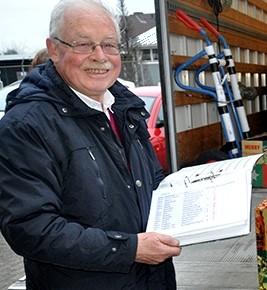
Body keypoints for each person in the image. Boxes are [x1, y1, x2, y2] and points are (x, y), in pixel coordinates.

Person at [0, 0, 181, 289]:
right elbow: (31, 228)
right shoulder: (26, 126)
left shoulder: (125, 110)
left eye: (110, 45)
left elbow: (150, 183)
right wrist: (130, 249)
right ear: (55, 49)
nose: (101, 56)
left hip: (151, 280)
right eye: (84, 44)